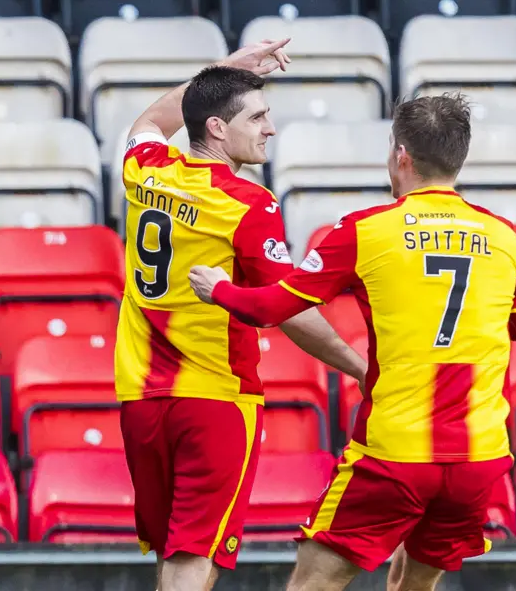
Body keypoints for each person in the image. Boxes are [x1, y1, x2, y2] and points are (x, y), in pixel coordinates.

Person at [188, 93, 516, 591]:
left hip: (394, 453)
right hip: (478, 458)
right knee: (415, 585)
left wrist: (217, 288)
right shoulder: (504, 236)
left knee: (315, 582)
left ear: (401, 154)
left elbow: (271, 308)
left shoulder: (366, 230)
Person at [115, 39, 366, 591]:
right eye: (257, 117)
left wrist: (224, 71)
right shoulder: (249, 204)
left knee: (170, 551)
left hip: (139, 397)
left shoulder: (146, 169)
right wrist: (359, 368)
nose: (270, 129)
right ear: (218, 128)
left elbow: (150, 119)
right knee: (192, 552)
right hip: (215, 399)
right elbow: (287, 310)